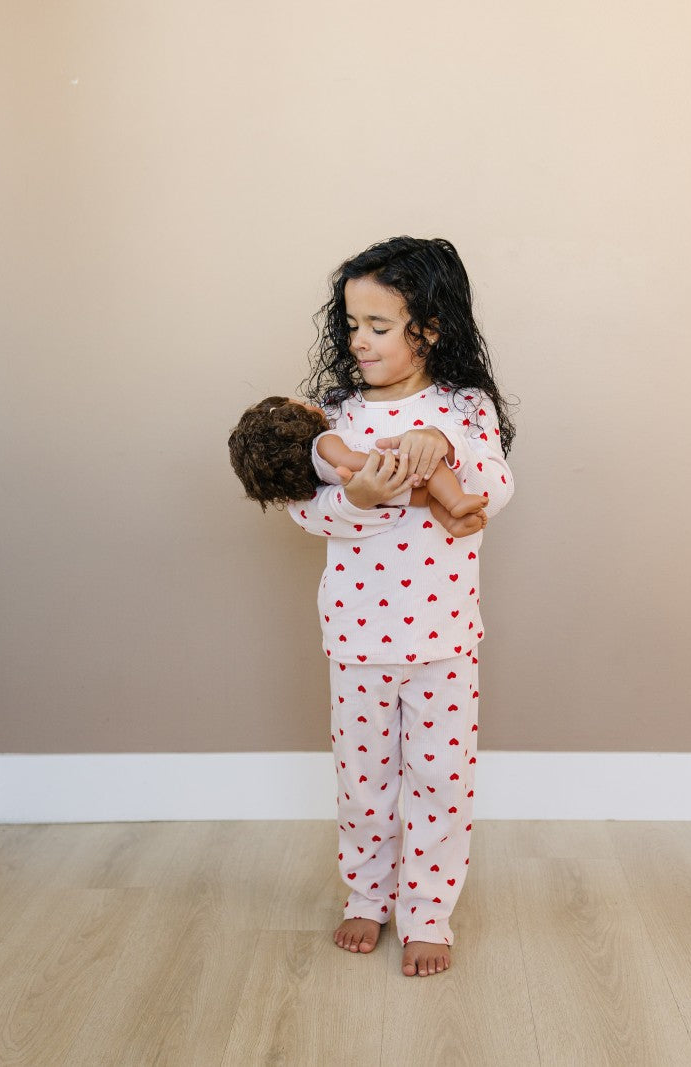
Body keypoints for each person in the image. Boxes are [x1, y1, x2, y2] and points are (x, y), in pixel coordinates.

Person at [287, 236, 515, 977]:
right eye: (352, 324)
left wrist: (440, 443)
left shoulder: (463, 409)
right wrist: (359, 498)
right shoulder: (334, 416)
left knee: (441, 781)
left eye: (379, 326)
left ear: (431, 329)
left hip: (445, 638)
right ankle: (367, 895)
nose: (359, 340)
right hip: (357, 638)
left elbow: (492, 491)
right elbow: (305, 511)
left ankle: (428, 911)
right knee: (364, 783)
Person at [228, 395, 489, 538]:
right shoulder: (323, 442)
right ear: (296, 422)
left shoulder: (317, 472)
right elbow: (348, 460)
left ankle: (451, 522)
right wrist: (385, 463)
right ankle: (455, 503)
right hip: (385, 470)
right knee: (437, 470)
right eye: (302, 405)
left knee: (428, 497)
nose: (310, 403)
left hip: (385, 493)